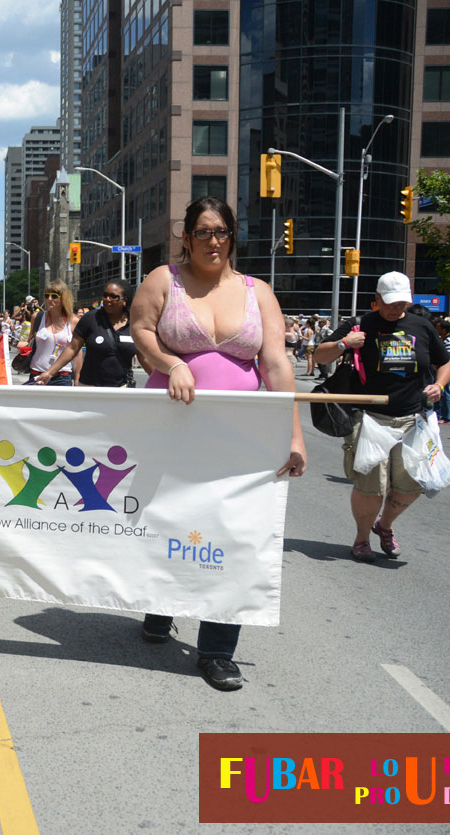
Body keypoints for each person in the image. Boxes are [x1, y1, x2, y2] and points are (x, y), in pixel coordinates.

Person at [131, 195, 305, 692]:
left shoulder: (257, 291)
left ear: (233, 236)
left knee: (231, 536)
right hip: (171, 434)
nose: (213, 241)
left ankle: (217, 650)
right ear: (186, 237)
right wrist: (174, 364)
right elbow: (141, 331)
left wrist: (292, 434)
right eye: (203, 232)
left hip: (240, 442)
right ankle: (160, 605)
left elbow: (275, 364)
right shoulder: (164, 280)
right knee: (168, 525)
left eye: (221, 231)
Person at [315, 271, 450, 563]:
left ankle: (385, 526)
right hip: (369, 418)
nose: (396, 308)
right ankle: (362, 539)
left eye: (403, 302)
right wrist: (344, 344)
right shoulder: (359, 324)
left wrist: (439, 386)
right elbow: (319, 356)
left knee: (412, 485)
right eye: (390, 302)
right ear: (377, 299)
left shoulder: (422, 326)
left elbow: (446, 363)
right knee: (370, 487)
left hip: (413, 419)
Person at [36, 280, 145, 386]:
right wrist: (50, 373)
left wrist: (160, 381)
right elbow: (72, 348)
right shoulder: (91, 318)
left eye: (113, 296)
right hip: (90, 387)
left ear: (125, 300)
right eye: (105, 295)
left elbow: (143, 357)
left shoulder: (134, 324)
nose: (107, 299)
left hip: (122, 388)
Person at [21, 282, 81, 385]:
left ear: (63, 298)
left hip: (62, 377)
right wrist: (12, 342)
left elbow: (77, 352)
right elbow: (28, 342)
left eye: (54, 296)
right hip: (37, 375)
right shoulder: (37, 317)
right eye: (46, 296)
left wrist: (77, 378)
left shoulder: (73, 321)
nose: (49, 299)